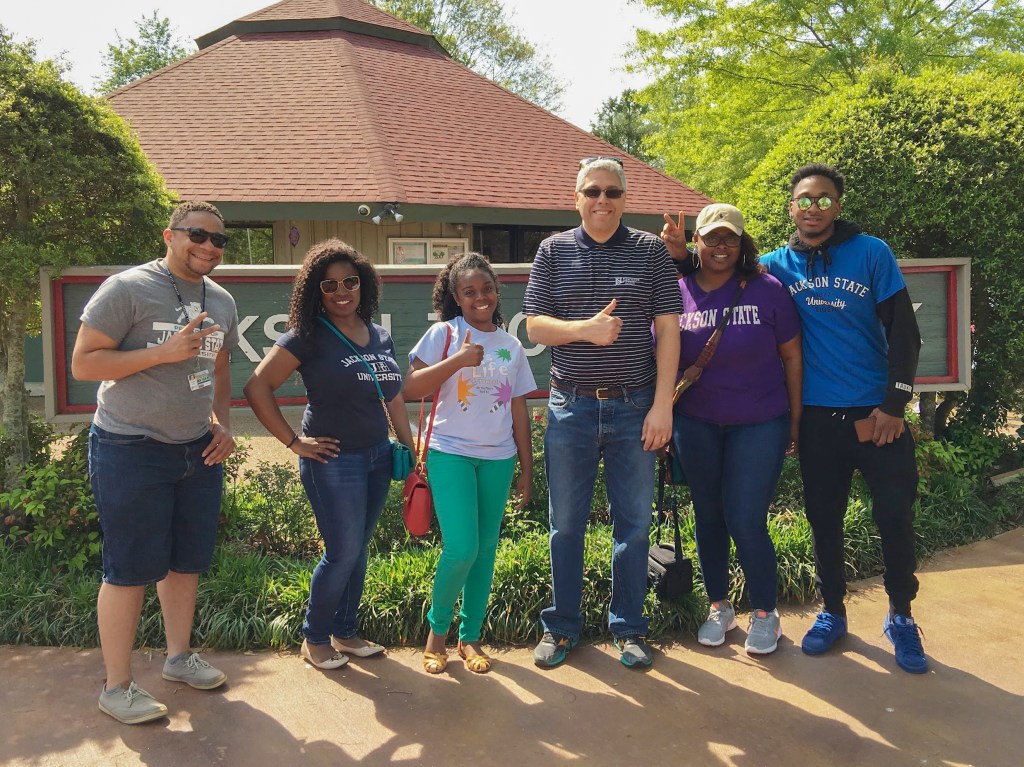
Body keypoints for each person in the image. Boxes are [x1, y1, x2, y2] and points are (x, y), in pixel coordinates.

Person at [663, 163, 926, 674]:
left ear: (838, 206)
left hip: (877, 414)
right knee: (823, 521)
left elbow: (905, 334)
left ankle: (901, 615)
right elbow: (706, 290)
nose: (814, 208)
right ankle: (832, 611)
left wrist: (894, 405)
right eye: (805, 199)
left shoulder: (872, 253)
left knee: (894, 516)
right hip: (819, 419)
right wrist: (678, 259)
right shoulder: (776, 269)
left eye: (824, 199)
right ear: (791, 208)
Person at [72, 200, 239, 724]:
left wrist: (223, 423)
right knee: (128, 570)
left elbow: (220, 363)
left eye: (218, 240)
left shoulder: (223, 300)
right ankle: (116, 687)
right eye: (198, 234)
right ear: (170, 235)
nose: (209, 246)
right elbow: (84, 363)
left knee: (184, 563)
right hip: (130, 447)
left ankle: (177, 659)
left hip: (196, 447)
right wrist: (161, 354)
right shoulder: (127, 289)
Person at [523, 157, 681, 669]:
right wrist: (584, 331)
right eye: (592, 191)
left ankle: (629, 627)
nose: (602, 200)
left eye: (612, 192)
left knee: (632, 525)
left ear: (624, 199)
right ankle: (562, 626)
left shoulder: (650, 251)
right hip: (570, 406)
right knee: (565, 524)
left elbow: (669, 331)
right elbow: (535, 328)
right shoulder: (553, 251)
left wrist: (663, 406)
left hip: (634, 406)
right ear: (577, 198)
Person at [243, 239, 414, 671]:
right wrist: (293, 441)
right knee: (341, 552)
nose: (341, 291)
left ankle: (346, 632)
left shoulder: (380, 335)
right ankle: (315, 638)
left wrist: (409, 448)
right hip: (332, 462)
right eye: (329, 284)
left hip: (377, 456)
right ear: (315, 291)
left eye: (350, 282)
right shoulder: (306, 337)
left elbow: (392, 398)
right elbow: (257, 388)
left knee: (358, 550)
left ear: (364, 285)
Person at [666, 203, 802, 656]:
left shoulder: (767, 290)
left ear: (743, 244)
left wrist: (796, 417)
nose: (721, 246)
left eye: (730, 238)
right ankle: (719, 606)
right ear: (697, 243)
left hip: (759, 422)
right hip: (696, 422)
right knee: (709, 515)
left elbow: (792, 358)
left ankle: (766, 612)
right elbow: (662, 360)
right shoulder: (678, 290)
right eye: (711, 238)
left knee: (745, 517)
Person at [402, 253, 536, 674]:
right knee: (462, 547)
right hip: (451, 452)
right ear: (456, 298)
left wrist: (527, 471)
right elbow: (409, 389)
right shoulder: (444, 333)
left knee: (485, 552)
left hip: (498, 458)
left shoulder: (511, 345)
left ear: (497, 291)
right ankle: (436, 635)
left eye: (487, 289)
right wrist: (457, 360)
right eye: (469, 292)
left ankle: (471, 637)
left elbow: (519, 410)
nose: (480, 297)